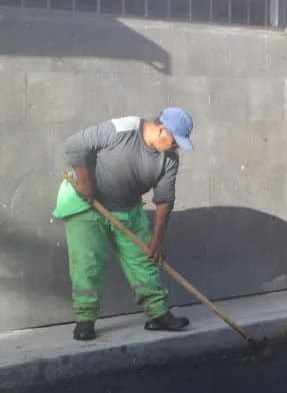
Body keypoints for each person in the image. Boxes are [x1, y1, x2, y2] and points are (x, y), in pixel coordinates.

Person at [53, 109, 196, 342]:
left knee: (144, 259)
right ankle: (85, 320)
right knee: (87, 262)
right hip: (86, 203)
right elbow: (75, 144)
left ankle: (157, 315)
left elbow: (164, 201)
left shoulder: (169, 159)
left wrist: (156, 241)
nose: (175, 148)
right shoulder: (123, 129)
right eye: (174, 141)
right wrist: (86, 183)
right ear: (161, 130)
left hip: (127, 207)